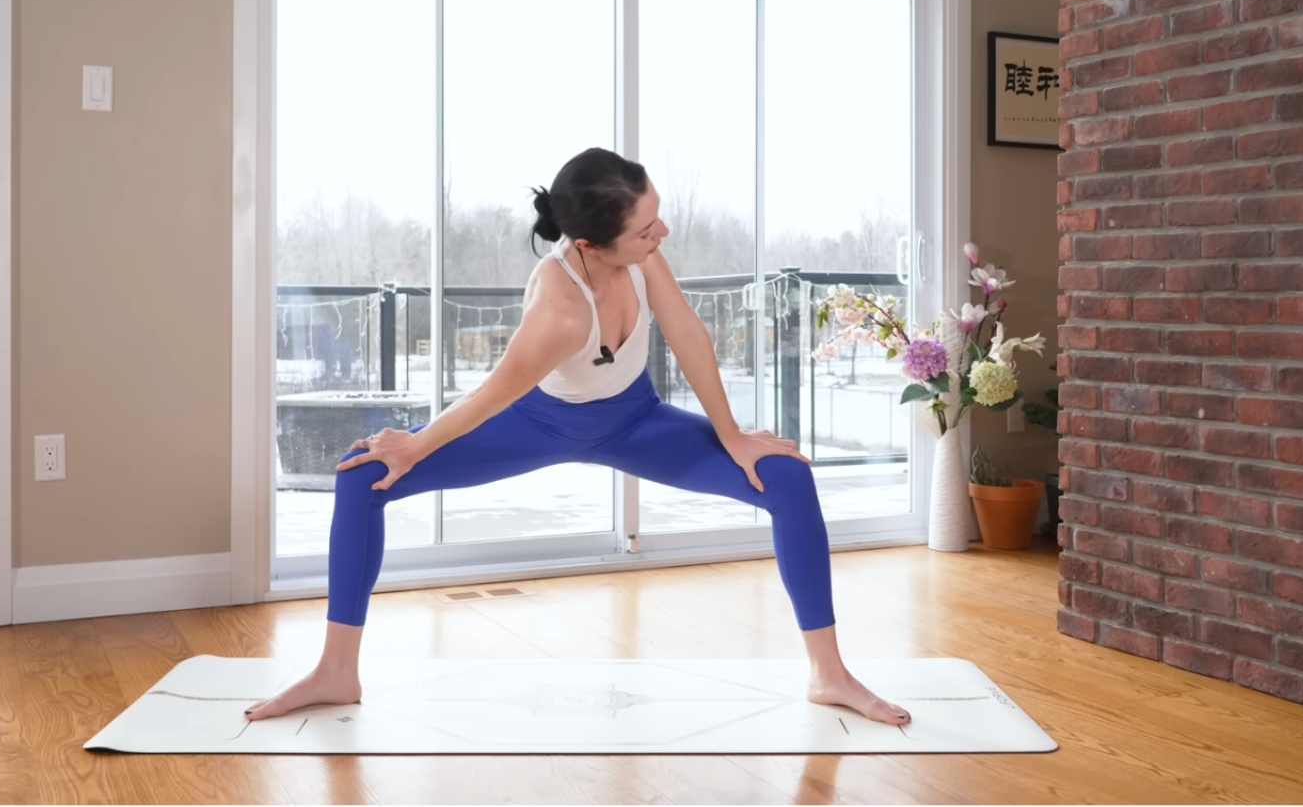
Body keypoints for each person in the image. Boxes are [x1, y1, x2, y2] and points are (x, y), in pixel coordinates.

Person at [246, 147, 911, 726]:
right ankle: (337, 670)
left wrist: (733, 435)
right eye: (648, 229)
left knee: (787, 477)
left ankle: (829, 675)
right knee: (362, 477)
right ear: (592, 244)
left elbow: (685, 332)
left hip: (637, 421)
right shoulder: (560, 309)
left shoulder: (644, 254)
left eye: (657, 217)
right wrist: (414, 445)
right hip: (536, 424)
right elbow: (492, 394)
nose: (664, 233)